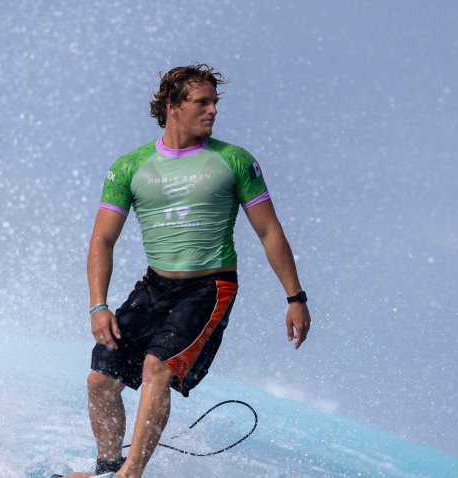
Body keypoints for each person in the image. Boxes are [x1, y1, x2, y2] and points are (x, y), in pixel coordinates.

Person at [58, 64, 311, 478]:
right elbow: (102, 240)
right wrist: (97, 305)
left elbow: (269, 230)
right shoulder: (130, 166)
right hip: (154, 286)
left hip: (209, 287)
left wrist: (295, 297)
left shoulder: (233, 160)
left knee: (158, 366)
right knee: (100, 381)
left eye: (215, 102)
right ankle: (108, 468)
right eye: (203, 102)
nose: (213, 110)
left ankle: (130, 476)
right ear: (173, 106)